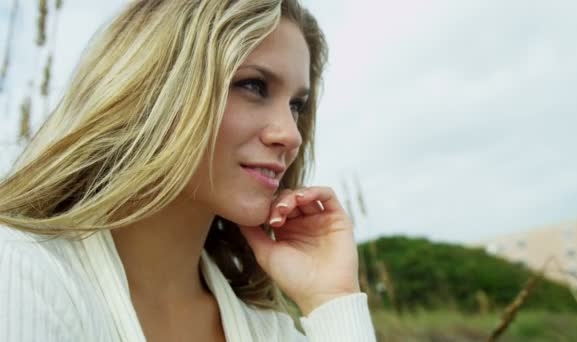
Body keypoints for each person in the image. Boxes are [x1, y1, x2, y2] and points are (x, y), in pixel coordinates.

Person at [0, 0, 376, 341]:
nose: (291, 135)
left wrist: (334, 299)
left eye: (296, 106)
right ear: (156, 88)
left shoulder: (268, 331)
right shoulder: (21, 276)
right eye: (253, 86)